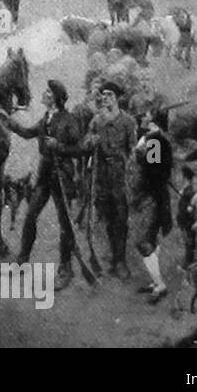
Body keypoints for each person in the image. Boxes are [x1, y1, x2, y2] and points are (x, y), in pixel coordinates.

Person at [8, 80, 86, 290]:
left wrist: (58, 146)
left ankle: (66, 269)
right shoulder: (45, 119)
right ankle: (21, 261)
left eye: (48, 92)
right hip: (45, 175)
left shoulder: (68, 120)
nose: (44, 94)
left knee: (64, 223)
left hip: (62, 175)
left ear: (56, 98)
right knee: (31, 216)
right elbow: (26, 133)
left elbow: (79, 149)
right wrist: (7, 121)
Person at [83, 81, 137, 279]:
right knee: (106, 216)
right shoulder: (96, 121)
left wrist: (133, 170)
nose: (104, 98)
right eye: (103, 95)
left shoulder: (128, 122)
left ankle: (120, 261)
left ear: (117, 98)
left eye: (109, 94)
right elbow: (85, 142)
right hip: (101, 174)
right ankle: (112, 257)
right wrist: (91, 141)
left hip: (120, 174)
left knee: (120, 218)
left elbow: (133, 149)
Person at [131, 107, 174, 303]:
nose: (143, 115)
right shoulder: (151, 137)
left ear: (154, 119)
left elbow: (153, 170)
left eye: (146, 114)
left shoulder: (155, 140)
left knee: (143, 241)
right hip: (150, 194)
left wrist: (141, 155)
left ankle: (160, 284)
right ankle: (155, 280)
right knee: (150, 239)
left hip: (153, 196)